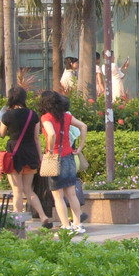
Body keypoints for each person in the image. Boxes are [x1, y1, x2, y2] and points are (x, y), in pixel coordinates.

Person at [0, 86, 50, 228]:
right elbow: (36, 138)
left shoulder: (7, 115)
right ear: (24, 98)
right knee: (28, 189)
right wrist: (40, 158)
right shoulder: (32, 115)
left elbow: (2, 134)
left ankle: (18, 220)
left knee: (17, 190)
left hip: (14, 154)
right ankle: (43, 216)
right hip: (30, 153)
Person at [39, 90, 88, 234]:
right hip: (69, 157)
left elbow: (52, 134)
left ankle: (66, 226)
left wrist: (50, 149)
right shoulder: (66, 116)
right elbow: (83, 126)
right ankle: (78, 224)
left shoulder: (46, 117)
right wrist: (79, 147)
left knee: (58, 196)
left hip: (55, 159)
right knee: (71, 194)